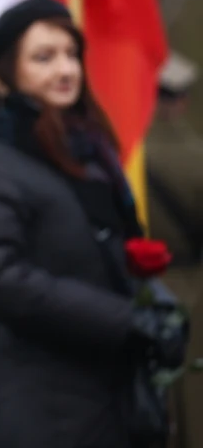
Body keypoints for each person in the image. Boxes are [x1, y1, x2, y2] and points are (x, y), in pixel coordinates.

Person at [0, 0, 187, 448]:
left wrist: (154, 307)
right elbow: (3, 280)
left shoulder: (84, 153)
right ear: (6, 71)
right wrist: (126, 321)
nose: (66, 69)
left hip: (102, 406)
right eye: (44, 57)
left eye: (72, 54)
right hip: (33, 415)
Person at [145, 51, 203, 448]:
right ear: (181, 99)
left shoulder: (121, 153)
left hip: (140, 289)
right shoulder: (196, 157)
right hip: (195, 290)